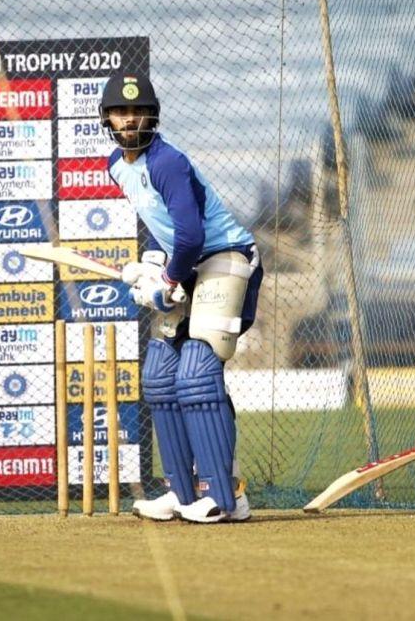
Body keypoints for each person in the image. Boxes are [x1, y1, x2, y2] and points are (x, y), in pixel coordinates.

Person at [99, 71, 263, 523]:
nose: (129, 119)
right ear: (107, 117)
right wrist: (152, 266)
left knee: (196, 370)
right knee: (160, 375)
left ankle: (225, 499)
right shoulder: (117, 165)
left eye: (137, 111)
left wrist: (167, 282)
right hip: (187, 263)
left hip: (225, 257)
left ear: (151, 116)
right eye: (120, 111)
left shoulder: (167, 161)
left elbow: (190, 235)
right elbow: (164, 229)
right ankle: (183, 493)